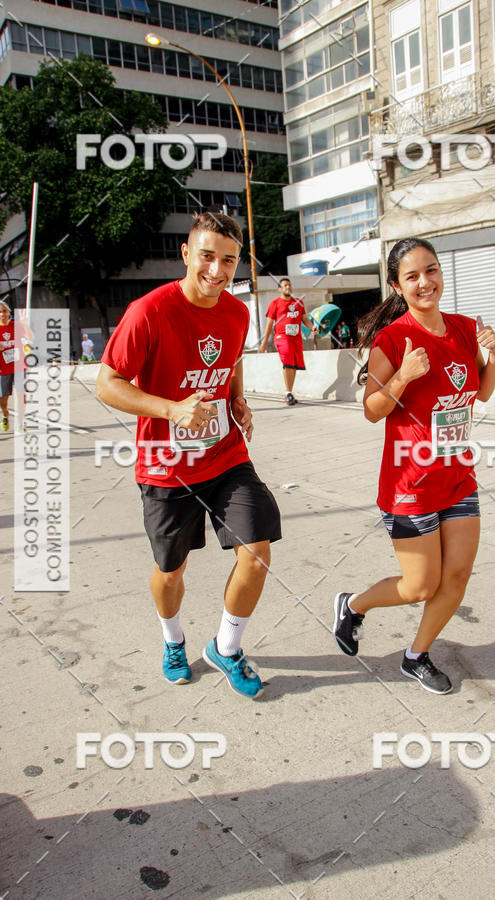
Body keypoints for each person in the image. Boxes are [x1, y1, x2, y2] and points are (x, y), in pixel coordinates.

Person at [96, 212, 282, 698]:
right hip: (166, 467)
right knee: (171, 571)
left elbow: (231, 363)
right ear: (185, 253)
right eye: (207, 256)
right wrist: (170, 409)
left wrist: (236, 399)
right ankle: (173, 638)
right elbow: (107, 384)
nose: (217, 271)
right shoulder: (149, 311)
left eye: (229, 260)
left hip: (225, 455)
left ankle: (226, 647)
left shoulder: (237, 313)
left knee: (256, 551)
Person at [333, 237, 495, 694]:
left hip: (458, 478)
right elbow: (371, 409)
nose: (425, 282)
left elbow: (481, 394)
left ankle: (416, 656)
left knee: (457, 576)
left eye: (431, 270)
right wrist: (404, 375)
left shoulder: (466, 328)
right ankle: (353, 605)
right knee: (420, 585)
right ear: (397, 286)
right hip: (410, 485)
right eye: (412, 276)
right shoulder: (392, 339)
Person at [259, 277, 316, 406]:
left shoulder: (298, 303)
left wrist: (312, 327)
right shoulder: (275, 304)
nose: (287, 287)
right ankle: (288, 393)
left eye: (289, 285)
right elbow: (269, 324)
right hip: (282, 338)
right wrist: (264, 342)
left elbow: (304, 319)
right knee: (288, 362)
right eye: (284, 286)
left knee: (294, 365)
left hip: (295, 339)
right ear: (279, 289)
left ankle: (289, 392)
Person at [0, 302, 28, 433]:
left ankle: (20, 425)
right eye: (0, 312)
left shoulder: (16, 326)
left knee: (21, 396)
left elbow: (29, 338)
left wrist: (25, 324)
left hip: (19, 367)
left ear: (8, 313)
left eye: (4, 311)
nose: (2, 314)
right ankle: (5, 415)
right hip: (2, 369)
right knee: (3, 400)